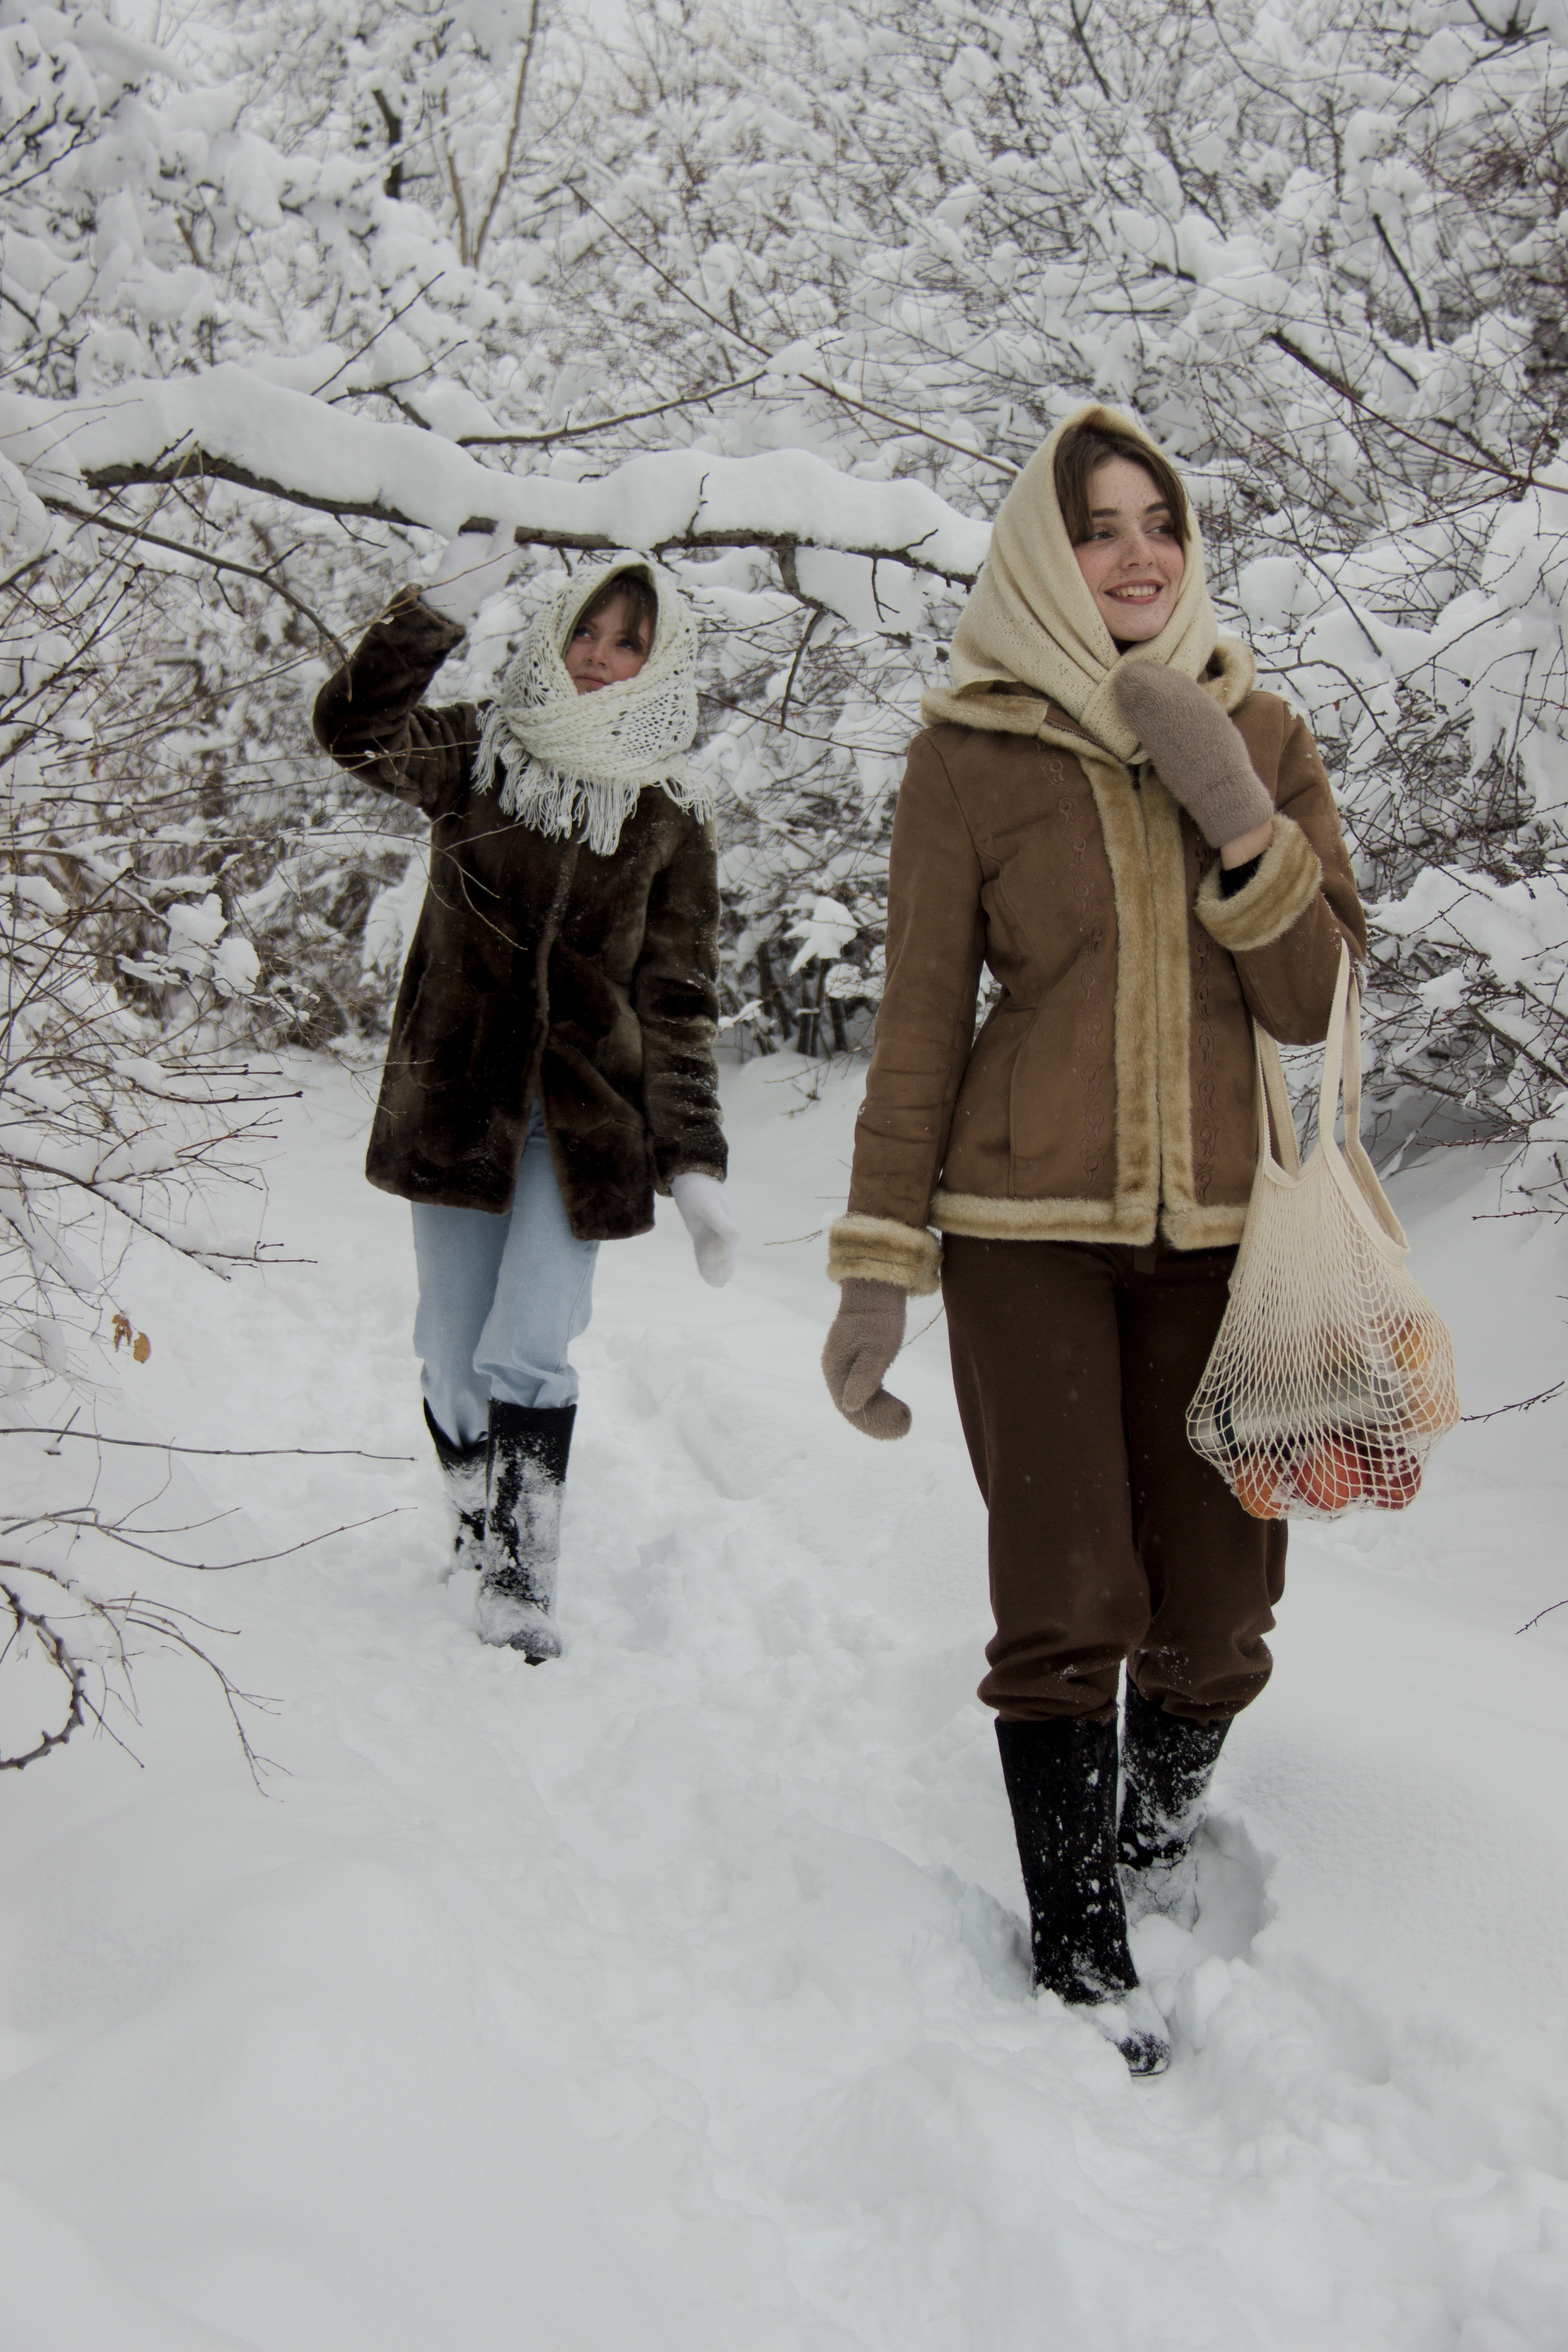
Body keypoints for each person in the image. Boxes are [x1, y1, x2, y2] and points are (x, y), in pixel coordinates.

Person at [820, 406, 1365, 2073]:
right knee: (1064, 1595)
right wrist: (873, 1269)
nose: (1138, 553)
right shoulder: (970, 749)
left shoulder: (1259, 729)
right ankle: (1079, 1937)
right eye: (1098, 528)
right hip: (1022, 1232)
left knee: (1218, 1618)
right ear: (1042, 558)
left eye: (1161, 523)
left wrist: (1241, 821)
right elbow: (919, 1027)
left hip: (1229, 1240)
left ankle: (1148, 1823)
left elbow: (1327, 1002)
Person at [314, 527, 738, 1661]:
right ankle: (471, 1510)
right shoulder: (473, 752)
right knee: (452, 1352)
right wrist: (433, 613)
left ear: (664, 661)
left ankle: (518, 1578)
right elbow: (349, 729)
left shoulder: (672, 814)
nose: (601, 656)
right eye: (588, 632)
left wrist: (692, 1160)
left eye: (629, 643)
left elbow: (680, 998)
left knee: (532, 1341)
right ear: (556, 637)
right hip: (457, 1105)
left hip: (583, 1125)